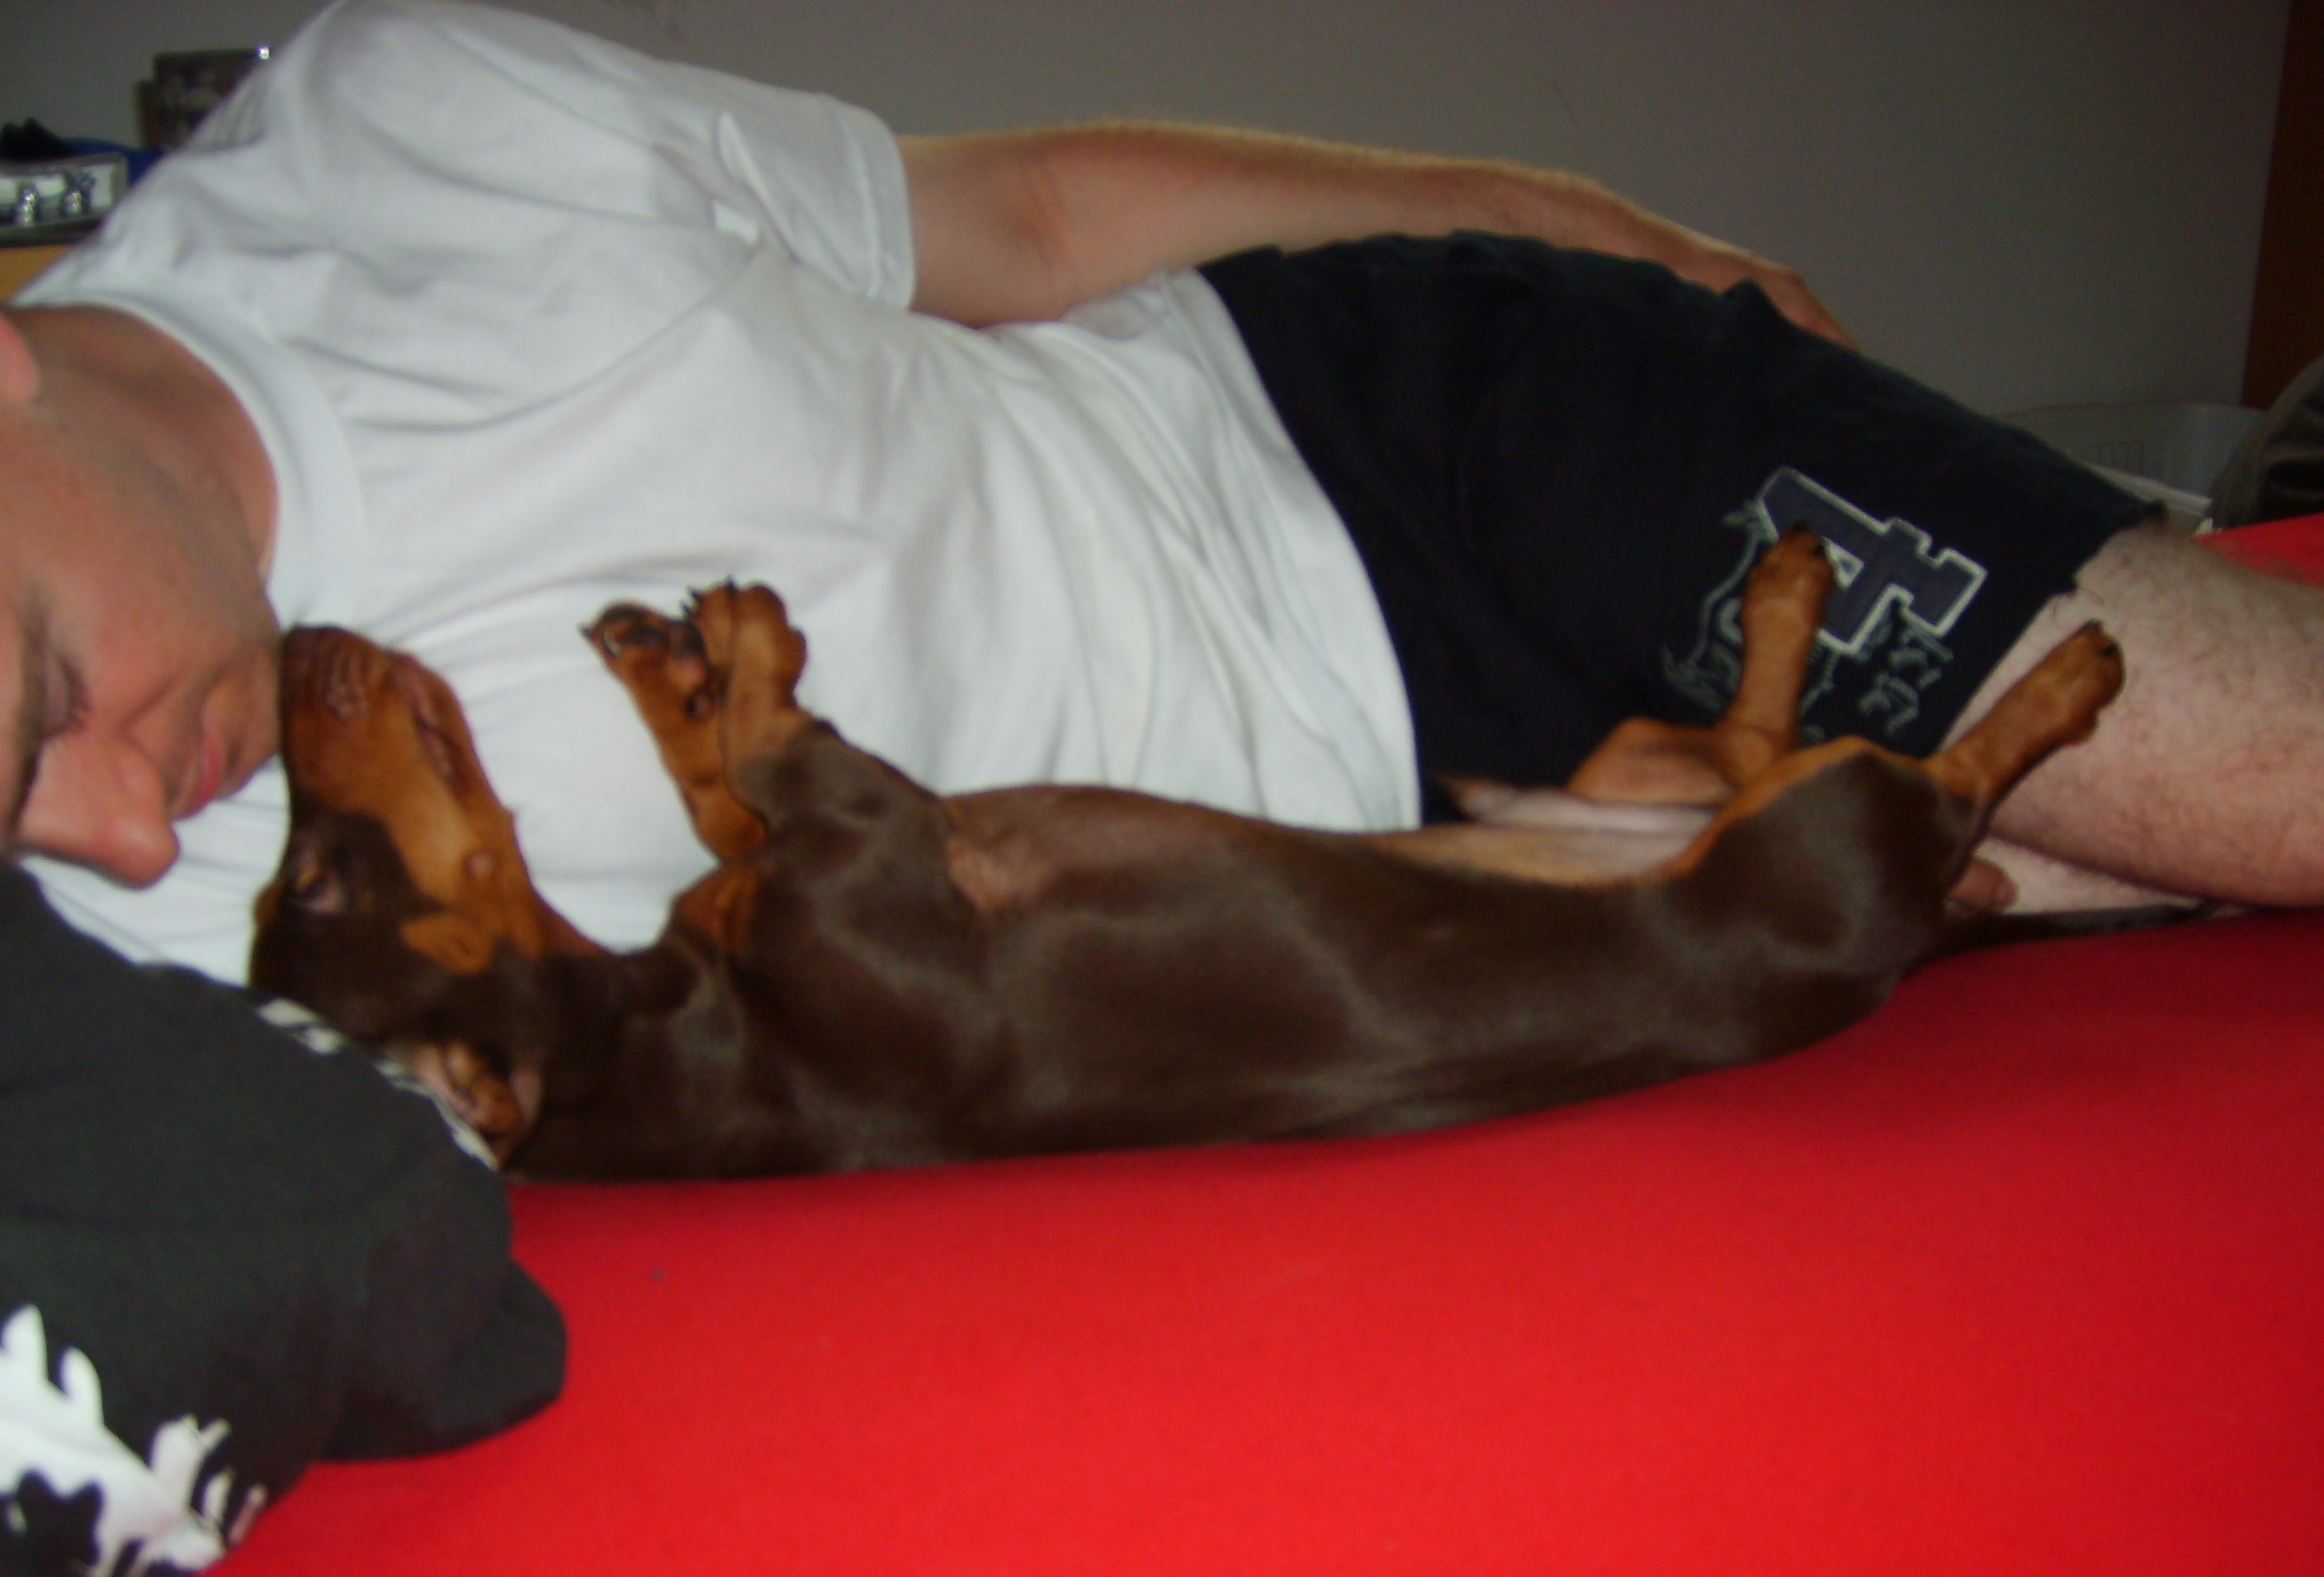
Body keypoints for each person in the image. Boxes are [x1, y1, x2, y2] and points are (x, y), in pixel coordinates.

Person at [3, 0, 2320, 994]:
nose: (110, 835)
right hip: (1417, 918)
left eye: (42, 697)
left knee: (2275, 786)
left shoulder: (401, 132)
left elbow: (1019, 224)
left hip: (1394, 445)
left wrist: (1586, 229)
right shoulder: (114, 923)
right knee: (2145, 906)